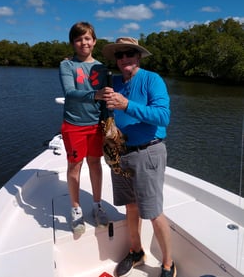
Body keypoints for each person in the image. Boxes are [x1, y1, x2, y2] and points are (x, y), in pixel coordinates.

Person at [100, 37, 176, 277]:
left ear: (139, 56)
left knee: (153, 212)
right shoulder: (113, 82)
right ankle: (136, 252)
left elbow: (163, 117)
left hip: (148, 152)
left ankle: (167, 264)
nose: (124, 59)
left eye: (129, 53)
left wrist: (126, 105)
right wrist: (76, 63)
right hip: (120, 153)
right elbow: (89, 89)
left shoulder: (152, 79)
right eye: (119, 55)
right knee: (131, 207)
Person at [59, 21, 108, 234]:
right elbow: (70, 92)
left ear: (94, 41)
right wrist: (94, 95)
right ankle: (76, 209)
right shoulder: (67, 65)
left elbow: (106, 100)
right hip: (74, 125)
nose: (83, 42)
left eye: (87, 38)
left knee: (96, 164)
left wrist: (108, 123)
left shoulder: (102, 68)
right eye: (78, 39)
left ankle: (97, 205)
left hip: (97, 125)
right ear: (73, 43)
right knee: (74, 166)